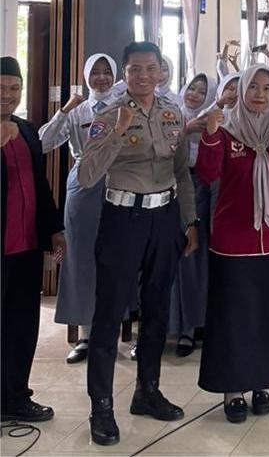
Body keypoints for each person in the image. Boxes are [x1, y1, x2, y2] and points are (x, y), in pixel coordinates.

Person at [76, 41, 199, 446]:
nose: (144, 76)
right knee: (109, 314)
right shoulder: (107, 115)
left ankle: (148, 390)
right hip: (122, 219)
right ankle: (101, 407)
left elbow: (181, 173)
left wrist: (190, 221)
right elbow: (88, 175)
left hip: (163, 219)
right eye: (135, 69)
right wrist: (117, 130)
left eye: (151, 68)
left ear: (161, 71)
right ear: (125, 73)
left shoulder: (172, 113)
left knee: (157, 308)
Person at [196, 65, 269, 423]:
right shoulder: (227, 129)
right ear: (242, 91)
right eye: (253, 87)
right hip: (233, 242)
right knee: (234, 317)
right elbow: (207, 174)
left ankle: (264, 382)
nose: (260, 94)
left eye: (267, 88)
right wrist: (211, 135)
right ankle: (233, 389)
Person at [38, 54, 117, 364]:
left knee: (118, 258)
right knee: (80, 258)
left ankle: (113, 330)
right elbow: (43, 143)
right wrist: (65, 109)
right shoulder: (78, 112)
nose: (101, 78)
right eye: (95, 72)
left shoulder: (123, 106)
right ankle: (85, 334)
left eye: (107, 71)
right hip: (83, 187)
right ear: (85, 77)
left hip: (118, 183)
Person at [1, 56, 65, 423]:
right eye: (0, 88)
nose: (7, 94)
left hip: (25, 247)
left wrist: (54, 228)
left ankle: (16, 397)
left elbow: (41, 186)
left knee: (22, 325)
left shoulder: (27, 130)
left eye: (14, 88)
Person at [168, 72, 218, 358]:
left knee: (191, 258)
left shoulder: (211, 121)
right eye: (192, 88)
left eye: (202, 91)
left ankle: (190, 326)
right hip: (166, 186)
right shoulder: (171, 114)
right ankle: (166, 325)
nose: (195, 95)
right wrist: (184, 130)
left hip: (198, 186)